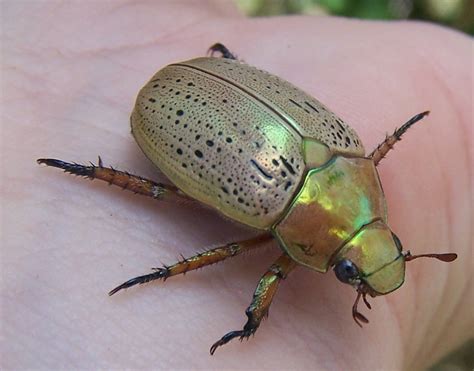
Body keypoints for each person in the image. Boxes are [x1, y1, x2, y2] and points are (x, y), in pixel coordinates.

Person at [2, 1, 471, 369]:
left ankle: (92, 172)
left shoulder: (350, 148)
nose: (360, 271)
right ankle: (91, 173)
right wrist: (249, 321)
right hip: (175, 113)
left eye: (354, 271)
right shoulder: (303, 193)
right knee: (168, 197)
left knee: (186, 209)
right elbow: (266, 274)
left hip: (215, 86)